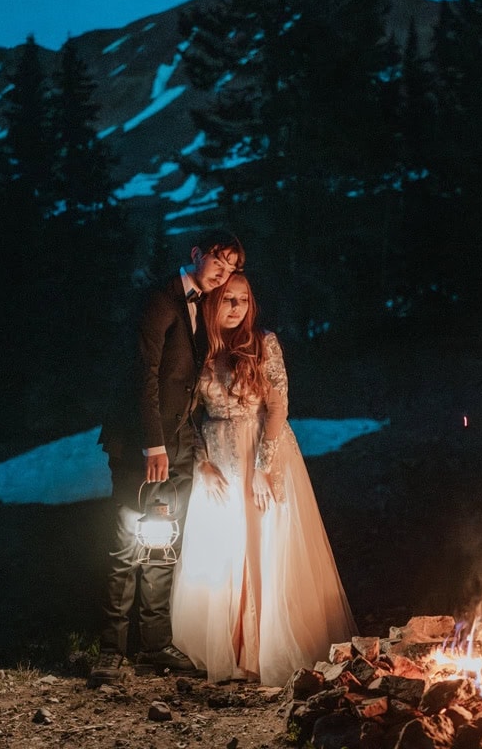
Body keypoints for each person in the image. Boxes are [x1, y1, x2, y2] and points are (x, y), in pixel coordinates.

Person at [170, 273, 356, 685]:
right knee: (225, 549)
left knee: (265, 544)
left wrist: (262, 467)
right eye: (226, 300)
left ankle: (265, 648)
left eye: (242, 300)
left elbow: (277, 407)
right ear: (211, 304)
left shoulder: (263, 342)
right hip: (218, 452)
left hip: (261, 449)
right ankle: (231, 648)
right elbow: (192, 416)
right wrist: (203, 463)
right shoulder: (200, 348)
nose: (235, 308)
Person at [89, 231, 245, 687]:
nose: (223, 272)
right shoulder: (159, 299)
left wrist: (185, 446)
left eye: (232, 268)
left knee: (164, 543)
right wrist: (152, 444)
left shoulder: (207, 307)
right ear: (197, 253)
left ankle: (155, 644)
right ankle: (111, 651)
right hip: (144, 445)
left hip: (179, 446)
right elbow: (146, 375)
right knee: (126, 542)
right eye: (219, 260)